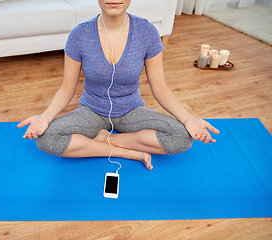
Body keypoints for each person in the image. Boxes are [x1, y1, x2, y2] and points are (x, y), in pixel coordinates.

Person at [18, 0, 220, 170]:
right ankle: (125, 152)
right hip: (91, 110)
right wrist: (45, 117)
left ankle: (105, 140)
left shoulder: (147, 32)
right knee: (46, 138)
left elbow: (160, 88)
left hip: (131, 110)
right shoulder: (79, 35)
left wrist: (188, 118)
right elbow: (66, 89)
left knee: (182, 137)